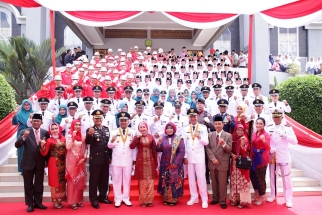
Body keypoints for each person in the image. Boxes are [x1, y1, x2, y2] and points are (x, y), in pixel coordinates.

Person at [15, 113, 50, 212]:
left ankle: (38, 202)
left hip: (40, 162)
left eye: (38, 121)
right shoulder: (24, 131)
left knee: (39, 183)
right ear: (31, 122)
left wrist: (47, 161)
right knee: (28, 184)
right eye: (34, 121)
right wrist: (24, 137)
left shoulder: (45, 133)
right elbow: (17, 145)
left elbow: (47, 149)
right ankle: (30, 204)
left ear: (41, 122)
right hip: (27, 162)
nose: (36, 122)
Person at [266, 109, 298, 208]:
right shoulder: (269, 127)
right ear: (272, 117)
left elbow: (295, 141)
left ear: (282, 117)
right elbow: (267, 140)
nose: (276, 118)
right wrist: (270, 148)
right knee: (272, 177)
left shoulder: (288, 128)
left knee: (286, 179)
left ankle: (288, 199)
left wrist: (286, 136)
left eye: (278, 116)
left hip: (284, 156)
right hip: (273, 156)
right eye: (274, 116)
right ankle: (273, 195)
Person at [85, 110, 113, 209]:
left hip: (105, 158)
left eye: (100, 118)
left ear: (102, 119)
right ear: (93, 119)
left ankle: (102, 197)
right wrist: (90, 135)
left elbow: (108, 145)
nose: (98, 120)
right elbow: (87, 142)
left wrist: (110, 157)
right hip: (96, 158)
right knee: (94, 180)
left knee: (104, 180)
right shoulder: (90, 129)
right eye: (96, 118)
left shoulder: (106, 129)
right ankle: (93, 199)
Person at [183, 108, 209, 209]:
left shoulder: (203, 128)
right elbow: (184, 144)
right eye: (191, 116)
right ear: (189, 118)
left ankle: (204, 199)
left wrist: (199, 137)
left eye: (194, 116)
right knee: (191, 179)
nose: (193, 118)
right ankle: (194, 197)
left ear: (197, 117)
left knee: (201, 178)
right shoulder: (185, 129)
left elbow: (206, 143)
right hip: (189, 156)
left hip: (199, 156)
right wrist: (185, 157)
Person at [108, 112, 135, 208]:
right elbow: (109, 146)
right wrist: (112, 141)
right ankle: (117, 198)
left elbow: (134, 147)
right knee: (116, 179)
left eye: (125, 120)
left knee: (127, 180)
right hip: (117, 159)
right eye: (121, 120)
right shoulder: (114, 132)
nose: (123, 122)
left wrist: (134, 159)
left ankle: (126, 198)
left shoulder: (132, 132)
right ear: (119, 122)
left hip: (128, 159)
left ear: (128, 121)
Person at [206, 115, 232, 209]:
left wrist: (223, 144)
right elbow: (207, 147)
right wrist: (213, 158)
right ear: (214, 124)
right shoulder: (210, 135)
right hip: (213, 162)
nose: (217, 125)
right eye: (216, 124)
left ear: (223, 124)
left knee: (222, 183)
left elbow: (229, 150)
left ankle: (222, 200)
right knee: (214, 182)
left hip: (223, 163)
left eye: (219, 124)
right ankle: (216, 198)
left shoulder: (228, 135)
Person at [129, 121, 158, 207]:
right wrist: (136, 138)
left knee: (150, 181)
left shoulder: (151, 137)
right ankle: (143, 201)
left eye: (144, 127)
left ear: (147, 128)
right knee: (142, 181)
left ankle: (150, 200)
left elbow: (154, 150)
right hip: (141, 161)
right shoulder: (137, 137)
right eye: (140, 127)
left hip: (150, 161)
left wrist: (156, 162)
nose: (142, 129)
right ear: (138, 129)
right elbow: (131, 146)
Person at [156, 122, 185, 206]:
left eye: (171, 128)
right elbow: (158, 149)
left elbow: (181, 152)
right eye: (167, 128)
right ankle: (165, 198)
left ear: (174, 129)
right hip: (164, 163)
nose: (169, 130)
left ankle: (173, 198)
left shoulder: (179, 139)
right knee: (165, 180)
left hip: (175, 164)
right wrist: (159, 143)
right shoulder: (163, 138)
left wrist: (175, 163)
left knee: (173, 181)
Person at [40, 123, 66, 209]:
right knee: (55, 182)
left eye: (56, 128)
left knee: (62, 182)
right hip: (53, 163)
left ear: (59, 129)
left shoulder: (63, 138)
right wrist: (42, 145)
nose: (55, 130)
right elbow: (44, 153)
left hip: (63, 163)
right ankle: (55, 201)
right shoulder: (49, 140)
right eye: (53, 129)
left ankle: (61, 200)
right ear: (50, 130)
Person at [65, 119, 88, 210]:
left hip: (81, 160)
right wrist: (73, 138)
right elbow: (67, 147)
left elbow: (85, 147)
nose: (78, 126)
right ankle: (72, 201)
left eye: (79, 125)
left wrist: (84, 158)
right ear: (72, 125)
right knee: (72, 180)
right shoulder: (69, 135)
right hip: (72, 160)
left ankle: (78, 200)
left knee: (80, 180)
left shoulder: (83, 136)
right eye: (76, 125)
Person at [250, 118, 271, 205]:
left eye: (260, 124)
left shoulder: (266, 135)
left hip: (261, 159)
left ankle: (262, 196)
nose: (258, 125)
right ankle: (256, 193)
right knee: (253, 176)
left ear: (264, 125)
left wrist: (264, 141)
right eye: (257, 123)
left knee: (260, 178)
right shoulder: (254, 134)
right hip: (254, 157)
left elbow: (268, 148)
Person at [230, 124, 251, 208]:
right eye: (238, 130)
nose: (239, 132)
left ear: (244, 131)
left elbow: (245, 151)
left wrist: (242, 144)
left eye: (241, 130)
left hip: (242, 162)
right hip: (234, 163)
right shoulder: (232, 138)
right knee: (234, 181)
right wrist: (232, 154)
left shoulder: (244, 139)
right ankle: (235, 200)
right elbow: (229, 149)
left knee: (242, 181)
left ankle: (243, 201)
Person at [12, 99, 34, 173]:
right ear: (23, 105)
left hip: (31, 133)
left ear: (30, 105)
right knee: (21, 150)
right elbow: (14, 123)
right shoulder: (19, 113)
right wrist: (14, 116)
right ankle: (22, 169)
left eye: (28, 105)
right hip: (21, 132)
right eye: (25, 105)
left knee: (30, 151)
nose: (27, 106)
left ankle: (30, 168)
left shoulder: (33, 113)